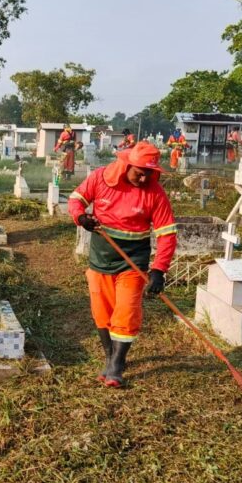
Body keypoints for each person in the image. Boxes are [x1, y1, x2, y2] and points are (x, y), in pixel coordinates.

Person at [68, 141, 178, 388]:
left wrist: (159, 270)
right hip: (101, 259)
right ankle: (109, 356)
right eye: (140, 173)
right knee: (102, 312)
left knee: (126, 311)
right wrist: (82, 217)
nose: (143, 179)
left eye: (149, 174)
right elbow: (76, 200)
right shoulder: (100, 179)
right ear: (127, 165)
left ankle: (117, 364)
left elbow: (167, 234)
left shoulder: (155, 193)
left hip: (133, 262)